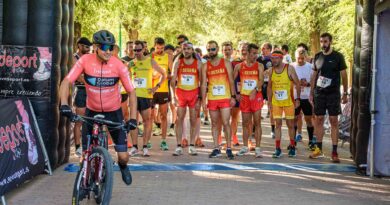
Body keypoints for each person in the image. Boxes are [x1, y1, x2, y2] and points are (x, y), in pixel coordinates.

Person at [59, 30, 137, 185]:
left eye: (110, 47)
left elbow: (132, 92)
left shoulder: (119, 65)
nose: (107, 51)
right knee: (85, 155)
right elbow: (67, 81)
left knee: (123, 156)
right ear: (95, 47)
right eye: (103, 47)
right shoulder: (84, 60)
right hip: (92, 110)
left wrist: (133, 118)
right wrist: (64, 104)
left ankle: (122, 167)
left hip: (113, 113)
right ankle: (85, 176)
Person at [309, 32, 348, 163]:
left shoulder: (338, 57)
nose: (323, 44)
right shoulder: (317, 56)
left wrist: (345, 94)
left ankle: (334, 151)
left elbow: (344, 75)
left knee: (333, 120)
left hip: (333, 93)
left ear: (330, 42)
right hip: (319, 93)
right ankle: (318, 149)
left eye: (325, 41)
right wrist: (311, 93)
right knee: (319, 119)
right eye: (321, 41)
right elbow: (314, 75)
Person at [128, 40, 167, 157]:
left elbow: (164, 74)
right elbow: (126, 77)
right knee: (133, 122)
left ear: (144, 49)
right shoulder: (131, 63)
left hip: (146, 96)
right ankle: (134, 146)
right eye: (134, 50)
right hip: (134, 97)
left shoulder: (150, 61)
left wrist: (156, 87)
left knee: (147, 122)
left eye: (139, 50)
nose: (137, 52)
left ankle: (145, 146)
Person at [201, 40, 236, 159]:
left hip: (225, 97)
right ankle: (216, 148)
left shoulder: (226, 63)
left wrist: (233, 96)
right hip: (212, 98)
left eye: (213, 49)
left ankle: (229, 148)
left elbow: (231, 80)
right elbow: (203, 85)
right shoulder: (205, 65)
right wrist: (203, 101)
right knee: (214, 124)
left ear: (217, 50)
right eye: (209, 49)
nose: (211, 51)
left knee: (226, 123)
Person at [267, 50, 301, 158]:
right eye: (272, 58)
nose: (274, 60)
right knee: (278, 124)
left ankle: (292, 146)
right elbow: (269, 86)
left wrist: (298, 99)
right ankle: (277, 149)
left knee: (290, 125)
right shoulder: (271, 71)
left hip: (289, 102)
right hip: (276, 102)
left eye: (276, 58)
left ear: (281, 58)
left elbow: (298, 83)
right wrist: (269, 101)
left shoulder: (289, 68)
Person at [171, 41, 202, 156]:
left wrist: (201, 99)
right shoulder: (178, 62)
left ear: (192, 50)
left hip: (194, 94)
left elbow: (203, 82)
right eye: (184, 49)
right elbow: (172, 81)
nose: (186, 51)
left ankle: (192, 145)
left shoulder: (198, 63)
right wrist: (173, 96)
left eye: (188, 49)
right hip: (181, 93)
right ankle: (178, 145)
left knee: (193, 120)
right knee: (179, 119)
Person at [234, 43, 265, 158]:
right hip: (244, 98)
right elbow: (233, 80)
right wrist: (235, 94)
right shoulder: (239, 66)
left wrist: (255, 90)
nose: (255, 55)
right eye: (253, 53)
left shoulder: (259, 66)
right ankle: (245, 147)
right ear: (247, 53)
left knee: (257, 123)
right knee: (245, 123)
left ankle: (257, 148)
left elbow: (261, 80)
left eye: (256, 53)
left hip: (256, 96)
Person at [150, 37, 173, 151]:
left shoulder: (168, 57)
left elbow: (171, 74)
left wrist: (163, 75)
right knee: (149, 116)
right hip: (151, 90)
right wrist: (153, 76)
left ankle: (163, 140)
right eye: (158, 48)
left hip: (163, 89)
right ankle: (147, 140)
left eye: (162, 48)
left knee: (164, 115)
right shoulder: (150, 56)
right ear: (154, 46)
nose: (160, 50)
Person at [72, 37, 92, 156]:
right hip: (80, 90)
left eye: (89, 47)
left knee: (90, 120)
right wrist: (91, 84)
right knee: (79, 120)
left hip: (91, 90)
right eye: (85, 46)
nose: (88, 49)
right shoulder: (74, 57)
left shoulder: (90, 57)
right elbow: (78, 75)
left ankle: (88, 145)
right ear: (79, 46)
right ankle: (78, 147)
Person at [292, 48, 315, 150]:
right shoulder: (291, 66)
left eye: (302, 58)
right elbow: (287, 80)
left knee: (308, 119)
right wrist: (296, 83)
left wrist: (308, 84)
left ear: (306, 57)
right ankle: (293, 143)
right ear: (295, 57)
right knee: (294, 119)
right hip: (295, 96)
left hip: (306, 97)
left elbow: (315, 81)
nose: (300, 60)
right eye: (298, 58)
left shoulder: (310, 67)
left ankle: (311, 141)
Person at [257, 43, 275, 137]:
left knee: (271, 107)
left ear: (269, 50)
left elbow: (277, 68)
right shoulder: (259, 59)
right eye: (262, 49)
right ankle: (254, 128)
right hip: (260, 84)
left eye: (264, 49)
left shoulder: (273, 58)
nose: (263, 50)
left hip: (270, 85)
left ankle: (273, 130)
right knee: (257, 107)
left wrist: (268, 71)